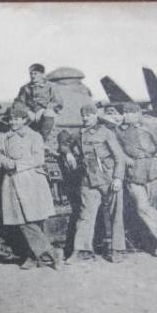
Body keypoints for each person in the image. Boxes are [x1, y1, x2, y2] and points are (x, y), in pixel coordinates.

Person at [0, 101, 59, 270]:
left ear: (25, 120)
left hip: (32, 181)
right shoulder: (5, 137)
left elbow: (39, 159)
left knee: (33, 220)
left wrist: (17, 165)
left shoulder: (34, 136)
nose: (13, 122)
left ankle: (36, 256)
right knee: (21, 220)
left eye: (17, 119)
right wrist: (3, 161)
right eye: (11, 119)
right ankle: (49, 253)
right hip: (12, 183)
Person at [60, 104, 126, 263]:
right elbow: (63, 142)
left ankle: (117, 249)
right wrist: (68, 153)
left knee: (115, 214)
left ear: (96, 115)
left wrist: (118, 178)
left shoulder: (106, 132)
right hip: (88, 179)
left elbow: (119, 157)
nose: (85, 118)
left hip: (108, 177)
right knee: (85, 215)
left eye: (89, 115)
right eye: (83, 115)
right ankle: (82, 250)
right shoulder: (78, 133)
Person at [115, 103, 157, 257]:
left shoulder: (150, 127)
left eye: (129, 112)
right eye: (124, 112)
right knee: (142, 207)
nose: (125, 115)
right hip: (134, 172)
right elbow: (116, 148)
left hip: (153, 171)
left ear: (138, 114)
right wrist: (124, 157)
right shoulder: (119, 130)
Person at [16, 63, 61, 141]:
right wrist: (28, 111)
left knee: (49, 113)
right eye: (31, 74)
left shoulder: (51, 86)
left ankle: (42, 140)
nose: (32, 76)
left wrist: (43, 109)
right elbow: (19, 102)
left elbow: (58, 102)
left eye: (35, 74)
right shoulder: (25, 88)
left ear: (42, 74)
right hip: (31, 115)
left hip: (46, 114)